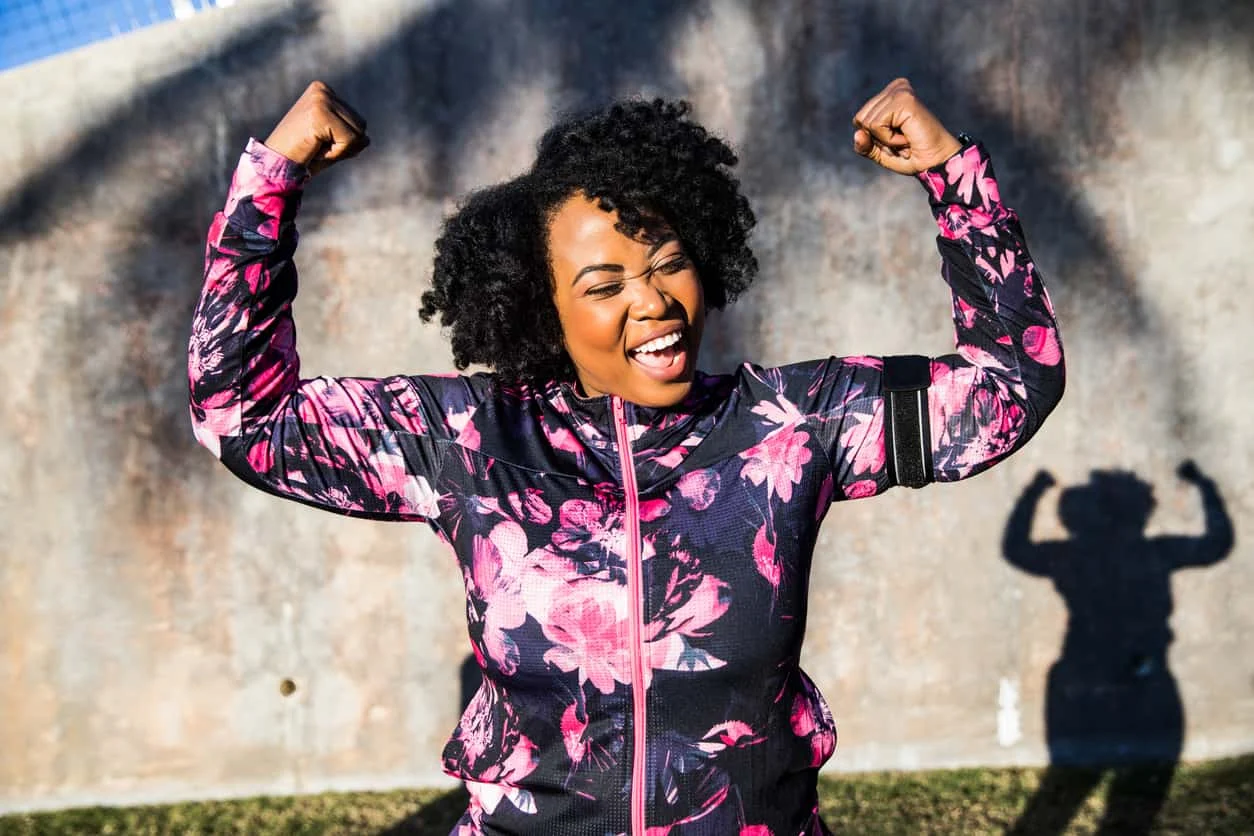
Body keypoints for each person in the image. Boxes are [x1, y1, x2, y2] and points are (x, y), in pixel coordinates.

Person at [188, 78, 1065, 835]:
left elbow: (1013, 381)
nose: (653, 303)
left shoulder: (792, 424)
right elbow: (241, 412)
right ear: (542, 307)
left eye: (670, 263)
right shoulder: (468, 438)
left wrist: (955, 179)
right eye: (603, 285)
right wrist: (273, 181)